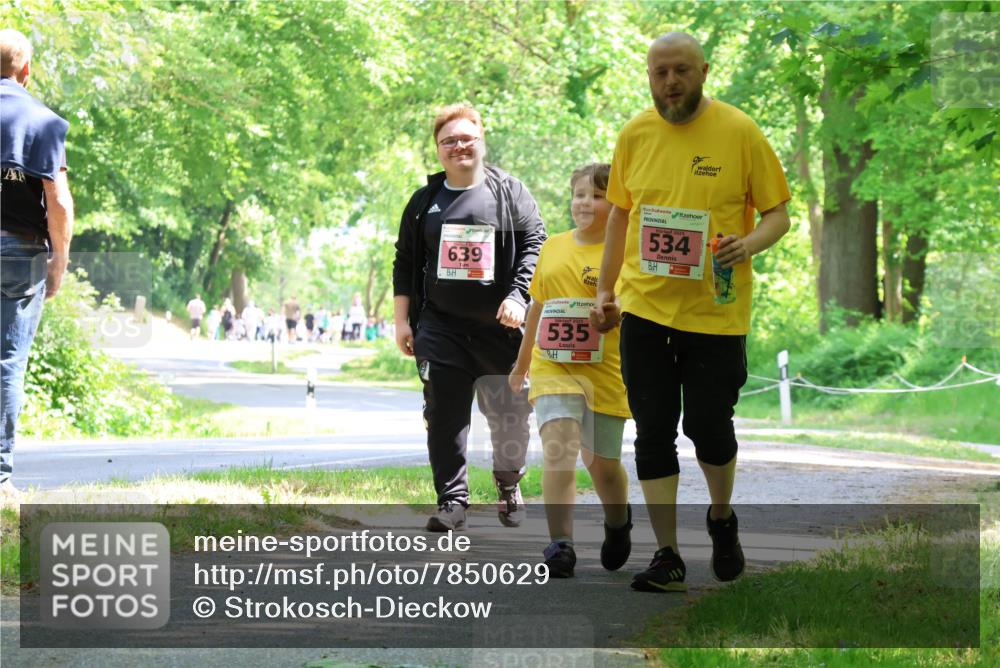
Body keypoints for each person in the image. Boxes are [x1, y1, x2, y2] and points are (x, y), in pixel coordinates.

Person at [591, 33, 791, 592]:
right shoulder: (635, 133)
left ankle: (721, 517)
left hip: (715, 312)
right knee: (653, 431)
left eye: (681, 70)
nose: (670, 82)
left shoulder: (740, 131)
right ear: (649, 76)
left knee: (708, 426)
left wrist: (748, 244)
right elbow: (619, 215)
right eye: (660, 72)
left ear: (703, 71)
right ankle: (668, 555)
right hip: (645, 307)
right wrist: (605, 290)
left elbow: (778, 214)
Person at [392, 103, 546, 531]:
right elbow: (405, 261)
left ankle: (508, 483)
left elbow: (536, 243)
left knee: (510, 418)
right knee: (443, 415)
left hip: (503, 331)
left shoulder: (510, 192)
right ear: (438, 149)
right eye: (449, 141)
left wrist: (518, 296)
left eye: (466, 138)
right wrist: (402, 321)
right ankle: (452, 501)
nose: (458, 146)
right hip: (441, 328)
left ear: (481, 141)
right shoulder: (424, 202)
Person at [508, 163, 631, 578]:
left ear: (617, 204)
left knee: (602, 465)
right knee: (558, 451)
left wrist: (613, 312)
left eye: (597, 196)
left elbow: (632, 307)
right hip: (553, 365)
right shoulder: (553, 247)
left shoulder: (625, 251)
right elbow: (537, 308)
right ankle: (561, 544)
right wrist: (522, 364)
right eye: (579, 194)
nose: (585, 203)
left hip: (604, 369)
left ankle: (619, 522)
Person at [0, 29, 73, 495]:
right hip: (19, 252)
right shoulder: (42, 122)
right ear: (25, 70)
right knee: (7, 361)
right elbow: (58, 201)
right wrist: (59, 261)